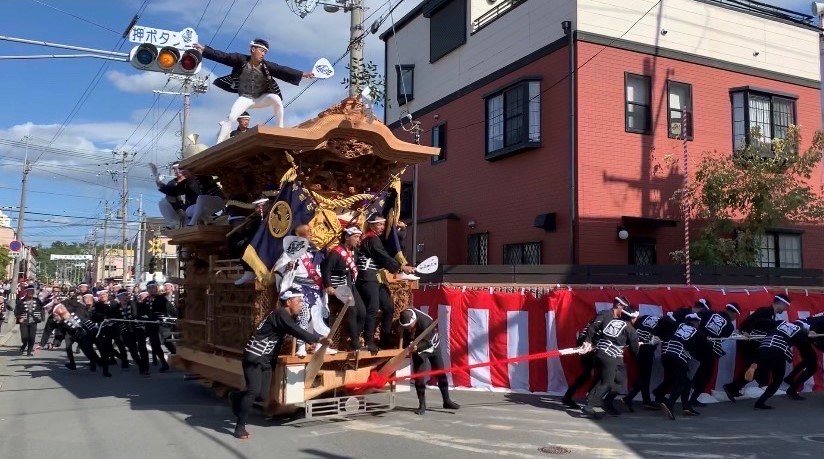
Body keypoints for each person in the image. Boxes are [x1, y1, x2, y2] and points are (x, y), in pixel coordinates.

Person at [230, 287, 328, 439]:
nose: (301, 303)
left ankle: (236, 397)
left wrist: (310, 341)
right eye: (298, 300)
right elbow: (295, 330)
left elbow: (294, 330)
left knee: (262, 396)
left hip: (268, 360)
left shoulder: (286, 316)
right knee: (253, 391)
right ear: (288, 302)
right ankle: (239, 427)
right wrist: (317, 338)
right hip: (255, 356)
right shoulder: (280, 313)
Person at [193, 38, 315, 141]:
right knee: (231, 117)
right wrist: (204, 50)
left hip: (261, 98)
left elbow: (281, 70)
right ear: (253, 49)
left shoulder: (266, 66)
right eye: (261, 51)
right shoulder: (239, 59)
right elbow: (223, 57)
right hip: (246, 98)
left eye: (265, 52)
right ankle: (219, 144)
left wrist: (303, 74)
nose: (263, 54)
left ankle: (280, 129)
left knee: (276, 99)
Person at [356, 213, 416, 352]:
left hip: (377, 278)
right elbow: (383, 256)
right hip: (367, 277)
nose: (382, 227)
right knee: (372, 308)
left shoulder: (376, 238)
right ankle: (368, 341)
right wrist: (402, 267)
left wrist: (400, 232)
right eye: (379, 224)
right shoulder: (370, 239)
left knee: (388, 307)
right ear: (371, 225)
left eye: (383, 224)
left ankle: (385, 338)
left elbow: (390, 246)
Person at [723, 294, 789, 401]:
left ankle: (734, 387)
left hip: (754, 344)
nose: (786, 308)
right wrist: (746, 332)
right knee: (756, 368)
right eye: (785, 306)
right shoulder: (765, 311)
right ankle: (732, 387)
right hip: (749, 343)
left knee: (755, 368)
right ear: (779, 303)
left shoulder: (770, 314)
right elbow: (750, 320)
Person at [580, 300, 640, 418]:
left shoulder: (610, 321)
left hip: (599, 353)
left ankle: (607, 403)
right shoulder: (630, 330)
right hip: (609, 357)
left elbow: (598, 330)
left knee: (619, 380)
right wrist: (636, 346)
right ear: (633, 318)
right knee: (606, 382)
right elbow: (635, 350)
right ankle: (589, 405)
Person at [399, 308, 460, 415]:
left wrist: (416, 347)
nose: (408, 328)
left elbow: (427, 342)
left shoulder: (426, 322)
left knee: (440, 373)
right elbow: (404, 336)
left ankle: (447, 400)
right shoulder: (404, 319)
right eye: (405, 327)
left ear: (414, 320)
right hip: (417, 349)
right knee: (419, 377)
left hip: (431, 346)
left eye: (409, 326)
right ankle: (422, 405)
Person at [657, 313, 712, 420]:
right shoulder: (698, 332)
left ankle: (686, 406)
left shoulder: (676, 325)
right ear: (696, 322)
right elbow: (707, 347)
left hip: (665, 354)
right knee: (682, 382)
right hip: (678, 356)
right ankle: (669, 403)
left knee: (685, 380)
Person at [322, 226, 367, 351]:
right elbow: (327, 269)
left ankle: (353, 338)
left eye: (359, 237)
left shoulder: (353, 252)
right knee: (352, 311)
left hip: (349, 285)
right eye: (356, 237)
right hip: (338, 286)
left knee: (362, 312)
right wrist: (329, 285)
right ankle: (355, 344)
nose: (358, 240)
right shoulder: (336, 252)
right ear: (347, 237)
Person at [688, 302, 738, 407]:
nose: (734, 318)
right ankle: (692, 397)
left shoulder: (708, 313)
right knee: (706, 374)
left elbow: (695, 320)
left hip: (693, 343)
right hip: (708, 349)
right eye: (735, 315)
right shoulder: (729, 326)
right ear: (733, 313)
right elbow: (723, 337)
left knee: (699, 370)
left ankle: (691, 386)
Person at [622, 312, 674, 412]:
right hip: (646, 348)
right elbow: (665, 339)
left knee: (644, 375)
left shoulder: (647, 316)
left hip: (634, 345)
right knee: (644, 376)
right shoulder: (667, 324)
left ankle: (646, 401)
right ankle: (628, 398)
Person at [752, 320, 810, 409]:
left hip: (764, 346)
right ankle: (760, 402)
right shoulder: (799, 331)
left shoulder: (780, 322)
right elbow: (804, 344)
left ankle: (754, 375)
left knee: (761, 367)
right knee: (777, 380)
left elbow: (767, 325)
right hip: (778, 350)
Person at [14, 285, 43, 355]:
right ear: (26, 292)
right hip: (24, 321)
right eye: (29, 291)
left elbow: (42, 308)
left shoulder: (37, 300)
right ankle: (24, 345)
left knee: (32, 337)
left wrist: (40, 316)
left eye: (32, 291)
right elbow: (16, 311)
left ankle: (29, 351)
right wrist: (19, 317)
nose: (31, 293)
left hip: (33, 321)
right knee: (24, 337)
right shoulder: (21, 301)